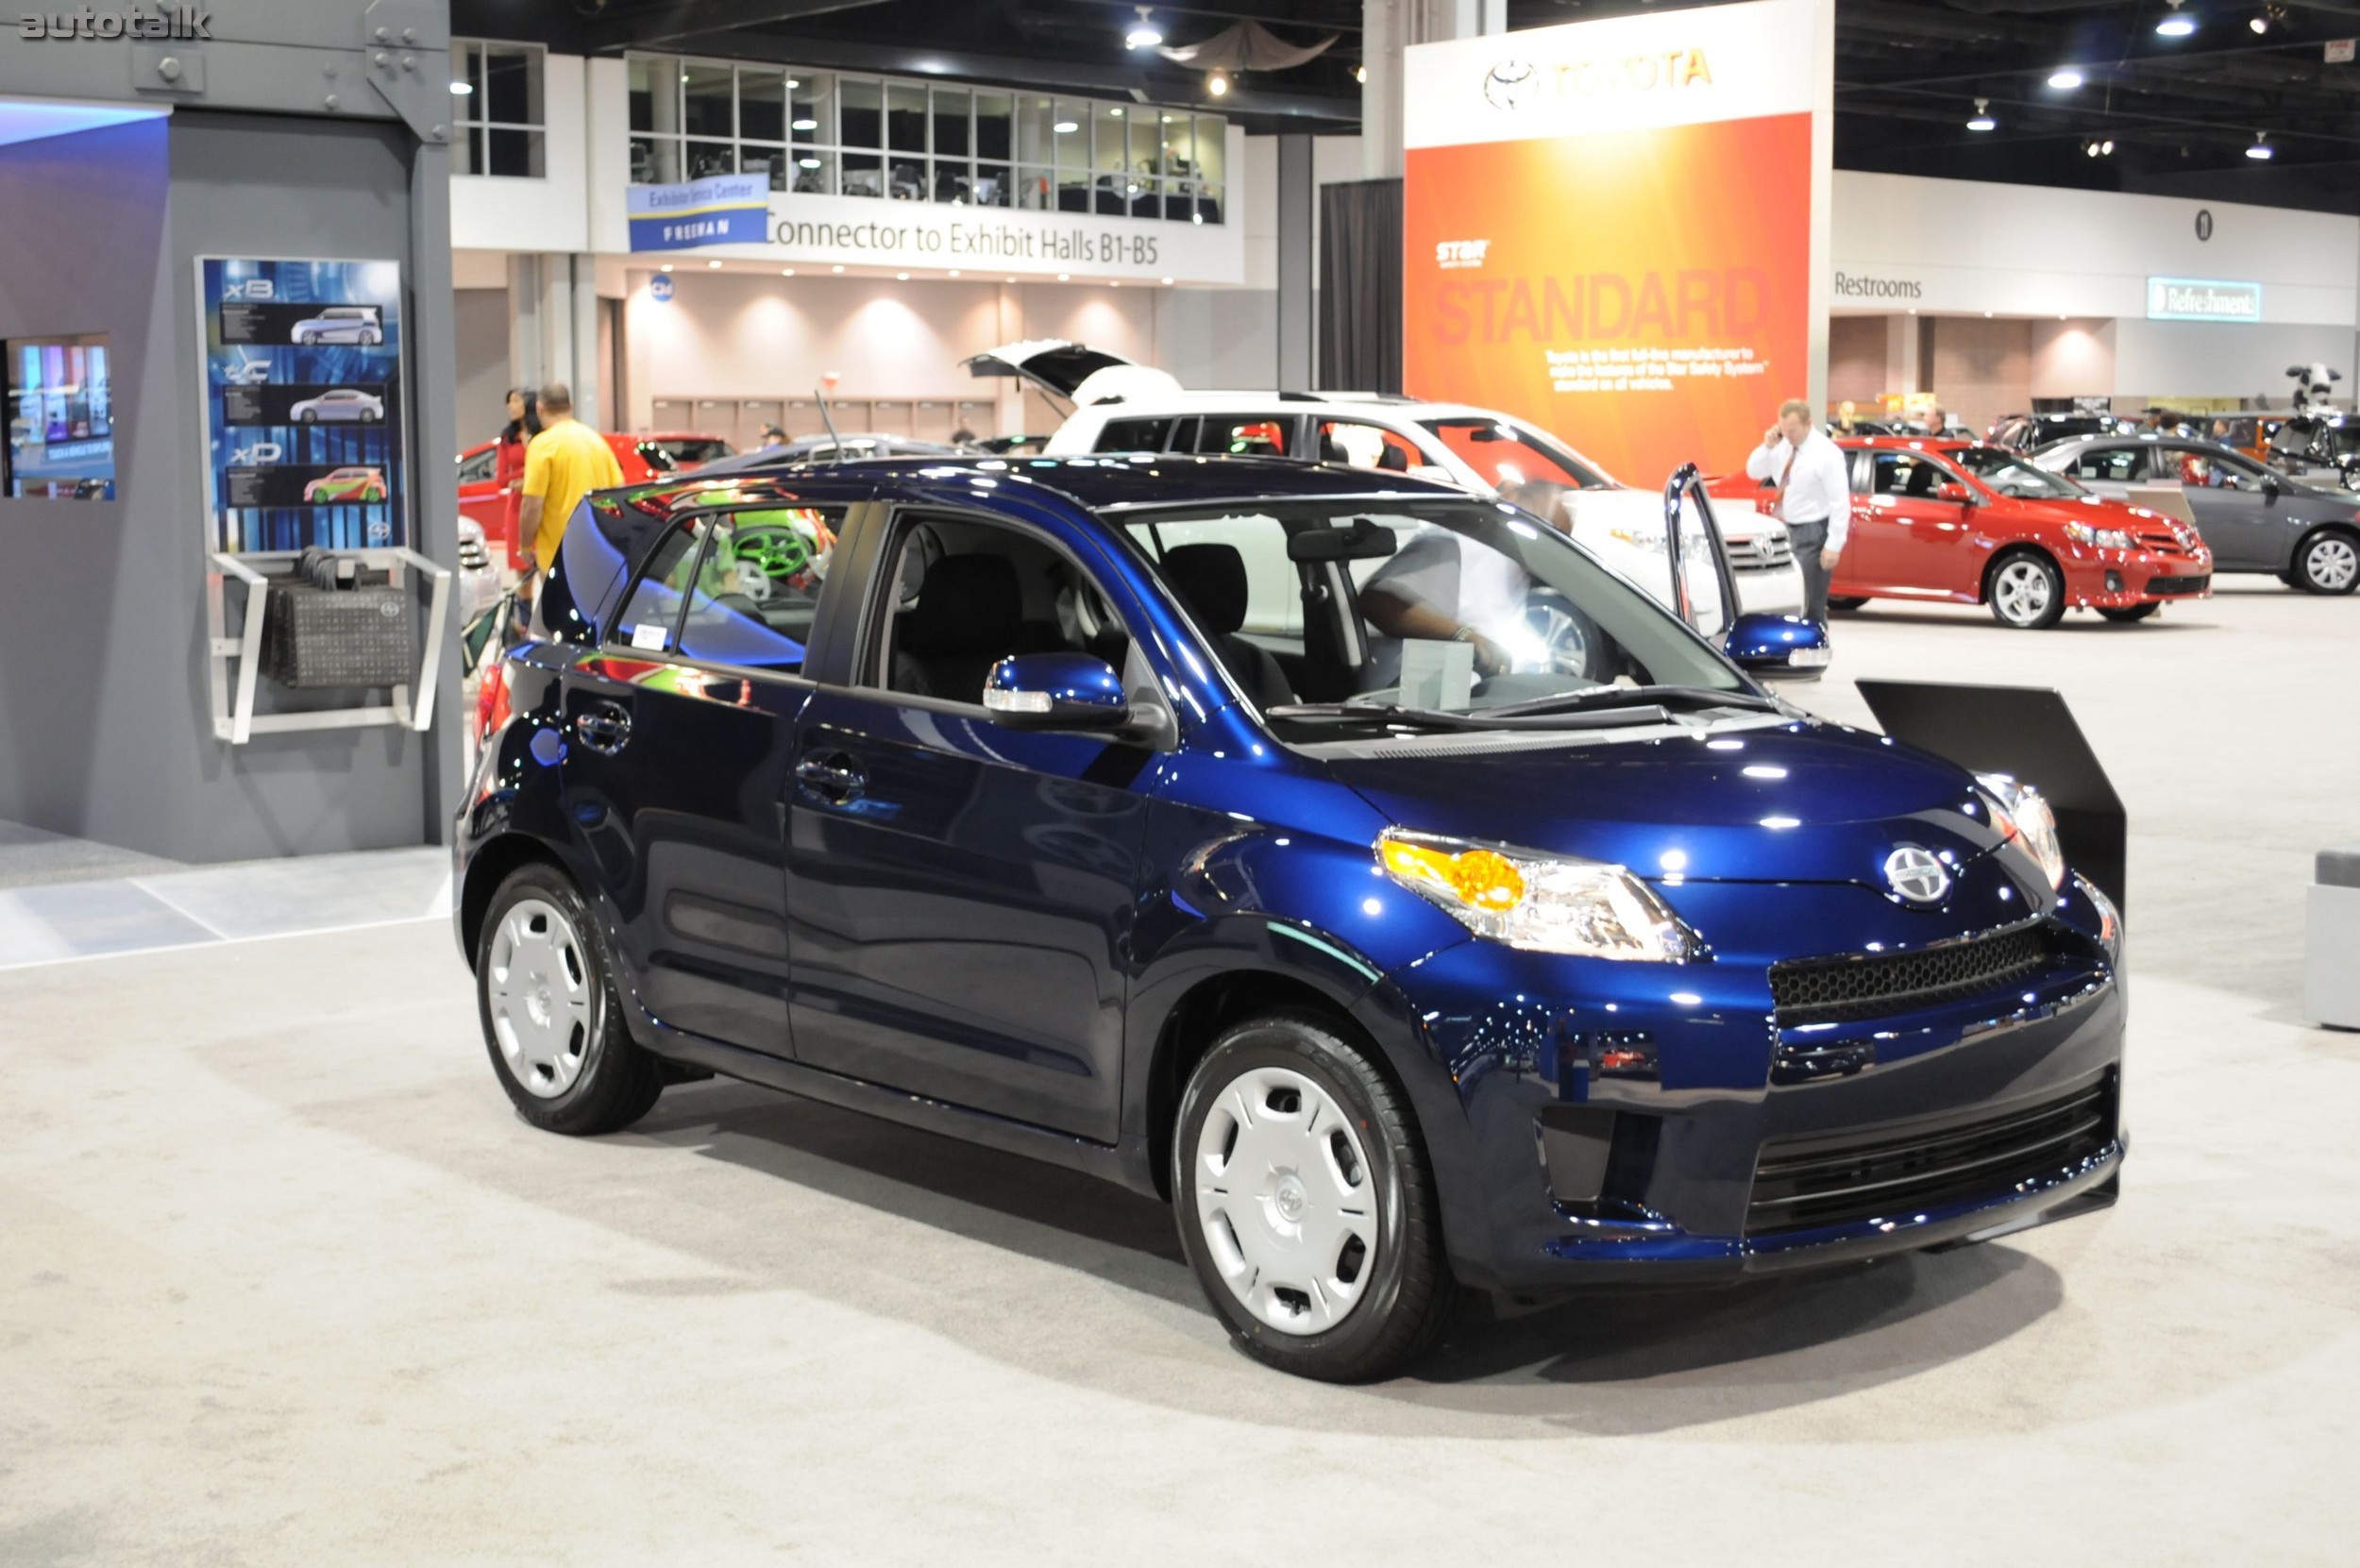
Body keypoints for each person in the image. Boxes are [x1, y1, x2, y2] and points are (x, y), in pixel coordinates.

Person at [1745, 396, 1852, 624]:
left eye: (1792, 431)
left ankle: (1815, 651)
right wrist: (1767, 446)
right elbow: (1753, 471)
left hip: (1812, 531)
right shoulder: (1782, 447)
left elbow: (1840, 502)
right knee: (1785, 597)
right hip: (1783, 529)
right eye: (1783, 430)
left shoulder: (1827, 454)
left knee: (1810, 600)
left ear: (1808, 424)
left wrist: (1834, 545)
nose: (1788, 435)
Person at [517, 381, 624, 599]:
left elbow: (532, 505)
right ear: (571, 406)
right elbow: (619, 492)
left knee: (560, 621)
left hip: (560, 555)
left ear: (539, 408)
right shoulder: (597, 441)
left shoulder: (542, 445)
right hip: (599, 552)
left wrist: (525, 546)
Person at [495, 387, 540, 574]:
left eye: (516, 401)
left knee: (545, 568)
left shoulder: (542, 435)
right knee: (522, 571)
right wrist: (523, 473)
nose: (510, 406)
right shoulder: (507, 438)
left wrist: (526, 479)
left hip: (541, 504)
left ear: (528, 403)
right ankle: (523, 604)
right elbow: (502, 480)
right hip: (517, 508)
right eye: (509, 402)